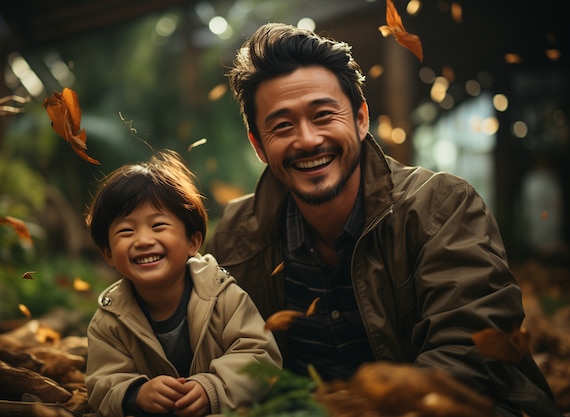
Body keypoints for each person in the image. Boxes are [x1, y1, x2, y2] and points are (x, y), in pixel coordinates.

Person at [204, 22, 562, 417]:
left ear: (360, 119)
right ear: (258, 144)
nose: (306, 140)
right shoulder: (237, 236)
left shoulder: (440, 206)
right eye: (283, 125)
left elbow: (472, 353)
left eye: (323, 115)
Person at [84, 149, 282, 417]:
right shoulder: (109, 320)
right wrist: (136, 394)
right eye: (126, 231)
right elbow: (101, 381)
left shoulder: (223, 296)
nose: (143, 240)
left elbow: (260, 356)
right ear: (107, 253)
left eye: (158, 226)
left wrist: (212, 388)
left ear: (193, 242)